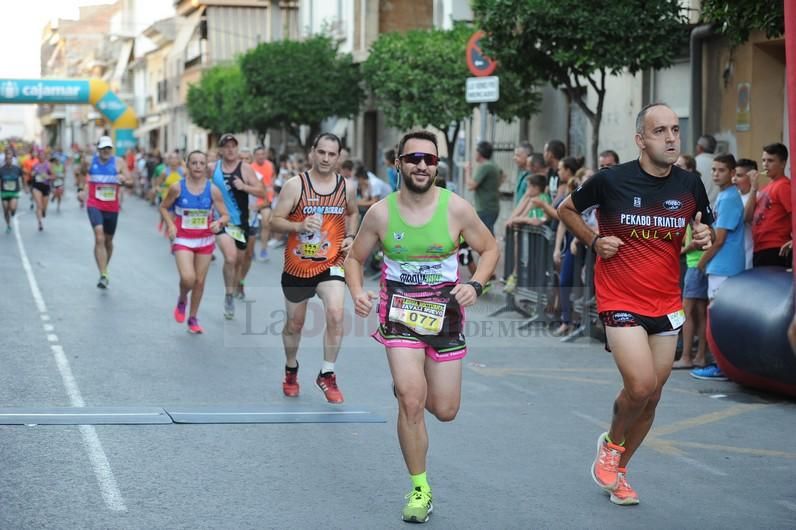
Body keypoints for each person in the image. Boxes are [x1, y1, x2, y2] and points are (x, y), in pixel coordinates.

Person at [558, 102, 713, 506]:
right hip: (620, 296)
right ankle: (611, 445)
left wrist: (702, 238)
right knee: (640, 384)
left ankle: (619, 471)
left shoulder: (690, 185)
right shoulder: (611, 180)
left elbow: (702, 226)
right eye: (660, 131)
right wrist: (593, 241)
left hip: (665, 301)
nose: (670, 138)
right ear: (640, 140)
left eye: (675, 130)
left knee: (653, 395)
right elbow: (566, 209)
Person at [345, 129, 498, 523]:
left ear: (436, 167)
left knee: (444, 409)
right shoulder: (380, 213)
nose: (421, 165)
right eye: (413, 158)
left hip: (445, 316)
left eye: (429, 159)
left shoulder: (456, 209)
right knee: (411, 400)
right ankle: (419, 488)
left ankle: (414, 386)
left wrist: (476, 284)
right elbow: (354, 259)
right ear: (398, 164)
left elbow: (489, 248)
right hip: (399, 314)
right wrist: (358, 291)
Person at [270, 132, 359, 403]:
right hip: (298, 265)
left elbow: (353, 213)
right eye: (321, 152)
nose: (326, 158)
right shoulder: (295, 186)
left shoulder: (347, 187)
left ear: (339, 156)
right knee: (295, 324)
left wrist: (351, 237)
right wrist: (298, 225)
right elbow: (274, 221)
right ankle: (291, 368)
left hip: (331, 262)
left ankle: (327, 373)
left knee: (335, 313)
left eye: (332, 154)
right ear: (312, 152)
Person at [160, 151, 229, 333]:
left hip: (205, 240)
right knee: (188, 278)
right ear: (188, 165)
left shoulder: (213, 189)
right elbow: (164, 207)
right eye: (194, 163)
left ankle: (193, 318)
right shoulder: (177, 188)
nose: (198, 166)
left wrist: (219, 222)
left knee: (199, 281)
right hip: (183, 238)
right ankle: (183, 298)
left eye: (201, 163)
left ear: (206, 166)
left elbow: (225, 215)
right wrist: (170, 225)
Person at [691, 154, 745, 381]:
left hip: (725, 267)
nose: (716, 174)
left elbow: (720, 239)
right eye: (713, 170)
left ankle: (721, 366)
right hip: (720, 266)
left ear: (732, 173)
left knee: (719, 319)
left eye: (721, 170)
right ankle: (720, 364)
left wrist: (702, 262)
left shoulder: (730, 198)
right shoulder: (724, 196)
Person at [211, 134, 264, 319]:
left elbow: (262, 191)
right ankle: (228, 296)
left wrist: (244, 187)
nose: (230, 149)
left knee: (240, 260)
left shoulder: (246, 168)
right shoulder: (213, 168)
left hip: (241, 223)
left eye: (233, 146)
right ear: (221, 150)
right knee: (231, 258)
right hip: (221, 221)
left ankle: (234, 288)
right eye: (226, 146)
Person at [671, 154, 709, 370]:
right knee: (698, 312)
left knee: (687, 311)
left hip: (695, 264)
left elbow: (699, 240)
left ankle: (688, 356)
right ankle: (699, 355)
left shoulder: (694, 205)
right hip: (695, 264)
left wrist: (679, 251)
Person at [86, 136, 132, 288]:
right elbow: (80, 173)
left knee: (108, 241)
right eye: (103, 148)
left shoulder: (119, 162)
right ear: (98, 149)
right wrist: (81, 189)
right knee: (99, 237)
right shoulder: (90, 161)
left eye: (108, 148)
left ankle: (104, 268)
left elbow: (131, 181)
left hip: (112, 208)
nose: (106, 151)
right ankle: (103, 273)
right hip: (94, 204)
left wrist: (124, 179)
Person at [504, 173, 550, 294]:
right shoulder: (531, 198)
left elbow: (534, 220)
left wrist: (522, 220)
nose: (527, 190)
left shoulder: (541, 199)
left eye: (528, 187)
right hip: (531, 240)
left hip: (539, 242)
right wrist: (525, 219)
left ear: (535, 188)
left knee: (537, 268)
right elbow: (519, 217)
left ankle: (537, 297)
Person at [749, 143, 792, 268]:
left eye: (770, 161)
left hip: (776, 247)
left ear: (783, 163)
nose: (765, 165)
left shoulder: (783, 185)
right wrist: (753, 187)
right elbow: (748, 216)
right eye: (763, 160)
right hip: (760, 247)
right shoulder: (766, 188)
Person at [251, 146, 276, 261]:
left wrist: (272, 187)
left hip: (267, 200)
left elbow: (273, 176)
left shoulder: (270, 165)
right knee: (250, 227)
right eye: (258, 154)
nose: (261, 156)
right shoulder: (250, 167)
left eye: (263, 154)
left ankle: (263, 250)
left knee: (266, 224)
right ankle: (250, 250)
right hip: (254, 200)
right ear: (254, 156)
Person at [734, 158, 758, 269]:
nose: (734, 179)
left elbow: (746, 217)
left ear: (751, 178)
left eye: (739, 176)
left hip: (748, 253)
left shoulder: (758, 196)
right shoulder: (731, 196)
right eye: (734, 175)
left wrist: (753, 188)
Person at [1, 148, 23, 233]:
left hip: (14, 192)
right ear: (5, 160)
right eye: (7, 159)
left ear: (12, 159)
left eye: (10, 159)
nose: (9, 160)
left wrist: (24, 186)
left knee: (12, 208)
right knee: (5, 210)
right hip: (4, 192)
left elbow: (22, 177)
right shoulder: (1, 169)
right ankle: (8, 224)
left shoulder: (16, 169)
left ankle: (13, 212)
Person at [695, 134, 719, 205]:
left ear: (700, 147)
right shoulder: (721, 163)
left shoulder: (694, 163)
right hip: (717, 208)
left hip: (701, 210)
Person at [31, 155, 52, 231]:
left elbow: (53, 176)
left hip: (46, 187)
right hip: (36, 186)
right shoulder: (35, 165)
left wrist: (47, 177)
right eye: (40, 155)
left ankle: (44, 211)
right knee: (39, 205)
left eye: (43, 155)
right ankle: (40, 223)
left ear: (45, 157)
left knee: (44, 208)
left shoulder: (48, 165)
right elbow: (31, 175)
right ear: (38, 157)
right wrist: (33, 173)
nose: (41, 157)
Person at [512, 141, 533, 206]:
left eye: (518, 155)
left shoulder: (533, 175)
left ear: (528, 156)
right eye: (514, 155)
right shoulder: (522, 173)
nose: (514, 158)